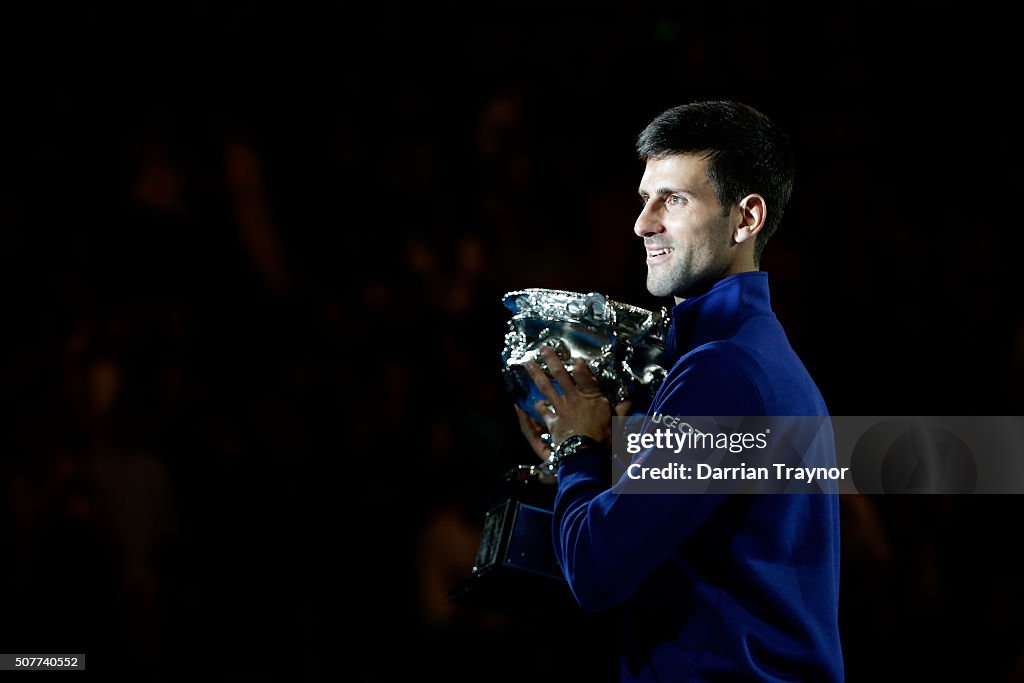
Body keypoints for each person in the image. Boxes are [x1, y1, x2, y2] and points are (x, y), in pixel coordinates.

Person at [514, 100, 844, 681]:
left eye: (675, 199)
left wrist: (578, 451)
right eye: (645, 198)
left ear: (746, 219)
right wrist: (592, 459)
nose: (643, 223)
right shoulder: (746, 360)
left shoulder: (725, 374)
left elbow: (597, 571)